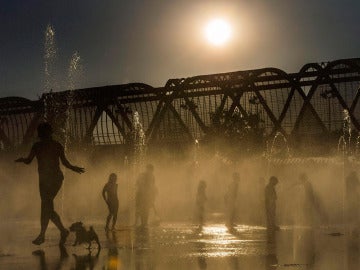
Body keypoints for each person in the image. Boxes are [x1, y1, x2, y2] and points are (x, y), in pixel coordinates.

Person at [15, 122, 85, 245]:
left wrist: (74, 168)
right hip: (46, 180)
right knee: (47, 207)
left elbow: (29, 161)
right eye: (41, 132)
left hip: (53, 179)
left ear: (48, 133)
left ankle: (43, 235)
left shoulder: (46, 146)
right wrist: (23, 160)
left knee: (46, 206)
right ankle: (62, 231)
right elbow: (64, 163)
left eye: (43, 132)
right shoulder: (50, 145)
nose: (42, 135)